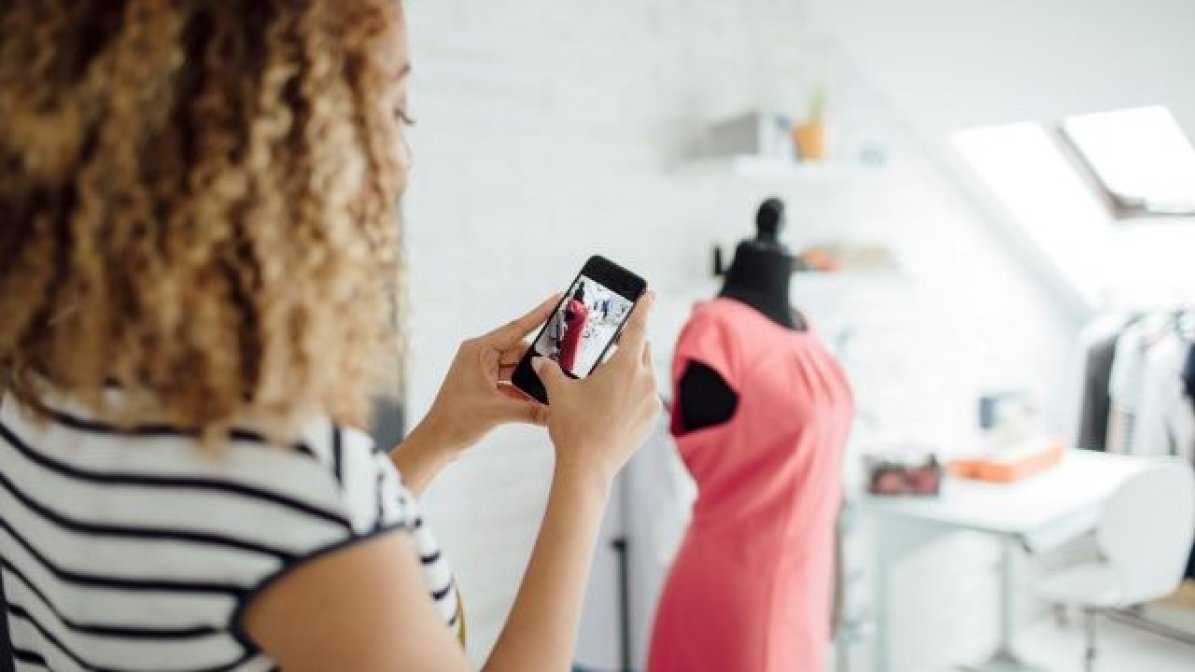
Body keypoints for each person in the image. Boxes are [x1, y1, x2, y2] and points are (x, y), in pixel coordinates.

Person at [0, 2, 660, 670]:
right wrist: (587, 470)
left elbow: (277, 570)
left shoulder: (38, 375)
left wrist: (440, 435)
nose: (404, 159)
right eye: (397, 112)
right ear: (276, 142)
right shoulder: (278, 465)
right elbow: (291, 527)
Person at [559, 284, 591, 375]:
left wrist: (564, 312)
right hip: (579, 335)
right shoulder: (585, 308)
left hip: (571, 333)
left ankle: (562, 370)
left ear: (575, 294)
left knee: (566, 353)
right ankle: (567, 371)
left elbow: (567, 318)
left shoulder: (572, 302)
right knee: (573, 354)